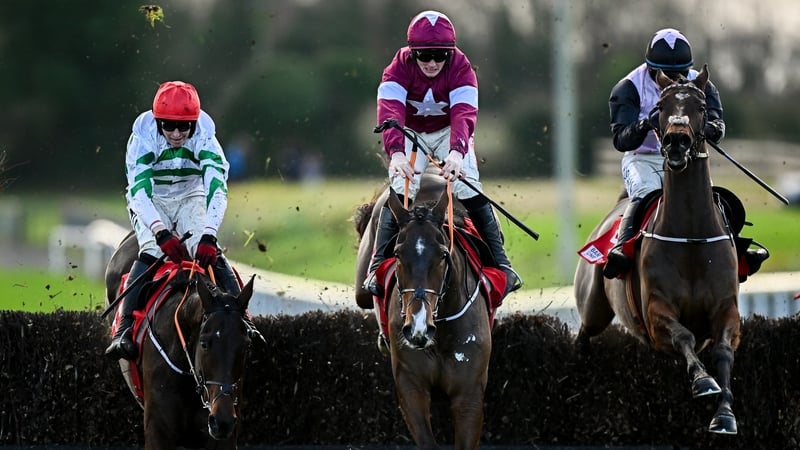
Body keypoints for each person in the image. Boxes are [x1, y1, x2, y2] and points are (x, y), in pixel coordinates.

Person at [364, 10, 522, 298]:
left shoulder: (462, 68)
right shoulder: (396, 69)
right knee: (402, 187)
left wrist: (457, 154)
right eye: (425, 56)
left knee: (468, 184)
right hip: (410, 131)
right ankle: (375, 268)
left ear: (451, 53)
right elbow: (390, 114)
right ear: (412, 53)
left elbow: (464, 115)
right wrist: (396, 153)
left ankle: (503, 264)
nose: (434, 62)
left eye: (441, 55)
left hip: (450, 131)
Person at [603, 28, 770, 280]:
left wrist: (710, 128)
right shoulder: (628, 87)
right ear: (650, 68)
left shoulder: (702, 83)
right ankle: (622, 249)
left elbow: (717, 124)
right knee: (646, 193)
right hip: (643, 158)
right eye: (667, 74)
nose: (675, 79)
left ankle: (737, 254)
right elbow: (620, 140)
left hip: (689, 157)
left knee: (708, 200)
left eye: (680, 73)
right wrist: (645, 124)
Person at [105, 80, 242, 361]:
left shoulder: (205, 134)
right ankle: (125, 328)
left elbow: (217, 188)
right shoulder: (142, 135)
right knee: (153, 250)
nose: (177, 133)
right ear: (157, 122)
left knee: (209, 252)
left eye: (184, 127)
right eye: (168, 126)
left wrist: (209, 235)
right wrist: (160, 232)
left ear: (194, 123)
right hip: (152, 197)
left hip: (192, 193)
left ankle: (244, 317)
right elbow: (139, 192)